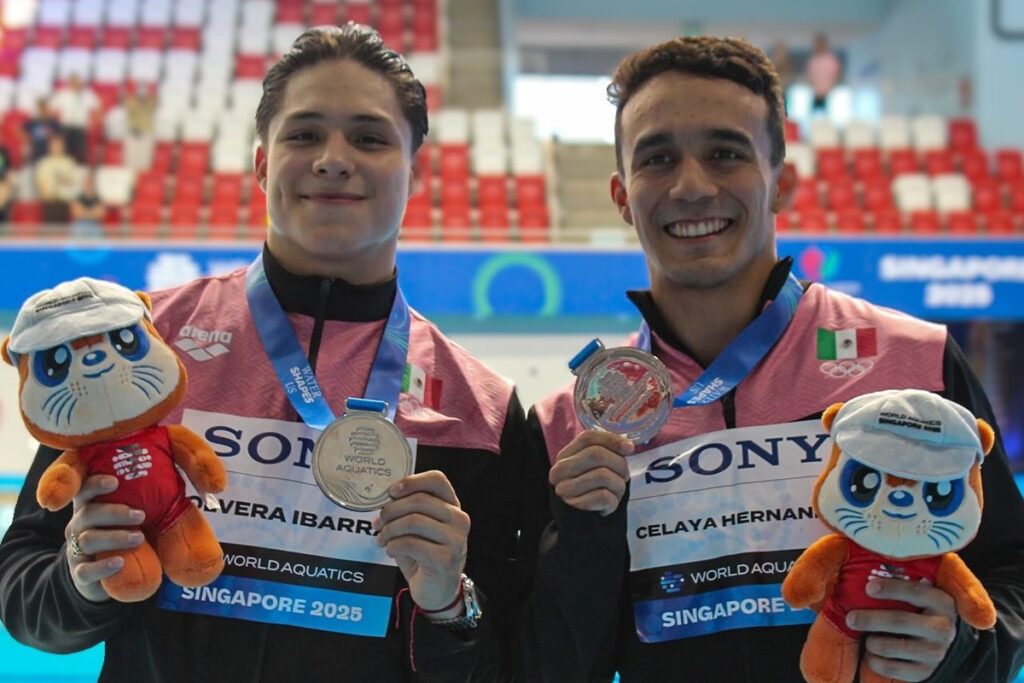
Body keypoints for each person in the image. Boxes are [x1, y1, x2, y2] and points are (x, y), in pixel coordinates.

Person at [0, 24, 532, 682]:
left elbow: (508, 658)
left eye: (369, 138)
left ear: (415, 173)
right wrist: (82, 577)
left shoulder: (482, 413)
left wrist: (451, 606)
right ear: (261, 164)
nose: (333, 159)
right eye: (304, 135)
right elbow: (25, 598)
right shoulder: (138, 346)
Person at [520, 36, 1024, 682]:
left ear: (782, 182)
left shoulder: (913, 363)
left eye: (725, 153)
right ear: (623, 196)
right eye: (658, 158)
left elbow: (1011, 573)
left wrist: (958, 646)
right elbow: (550, 663)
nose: (692, 185)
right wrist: (581, 538)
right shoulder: (570, 429)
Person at [49, 73, 101, 163]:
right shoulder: (62, 94)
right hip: (66, 127)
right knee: (66, 152)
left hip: (80, 127)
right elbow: (51, 109)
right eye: (73, 82)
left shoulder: (87, 95)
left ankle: (82, 169)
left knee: (81, 153)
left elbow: (98, 108)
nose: (76, 84)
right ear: (69, 83)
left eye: (77, 82)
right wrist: (56, 122)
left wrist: (93, 122)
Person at [34, 135, 80, 225]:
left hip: (65, 203)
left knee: (63, 230)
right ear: (49, 146)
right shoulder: (43, 163)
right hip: (49, 203)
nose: (56, 147)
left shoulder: (68, 162)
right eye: (54, 144)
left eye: (59, 144)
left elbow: (73, 181)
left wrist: (63, 179)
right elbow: (39, 182)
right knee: (50, 230)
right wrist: (46, 196)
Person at [806, 33, 841, 112]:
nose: (819, 47)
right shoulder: (813, 61)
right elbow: (810, 77)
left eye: (821, 44)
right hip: (816, 94)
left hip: (830, 95)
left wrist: (829, 89)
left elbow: (836, 76)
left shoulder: (831, 60)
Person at [69, 171, 105, 238]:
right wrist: (93, 212)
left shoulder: (98, 199)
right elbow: (77, 213)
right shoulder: (78, 198)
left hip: (94, 225)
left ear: (94, 184)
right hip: (80, 225)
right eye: (86, 182)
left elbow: (100, 214)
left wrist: (84, 212)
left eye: (90, 182)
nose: (88, 184)